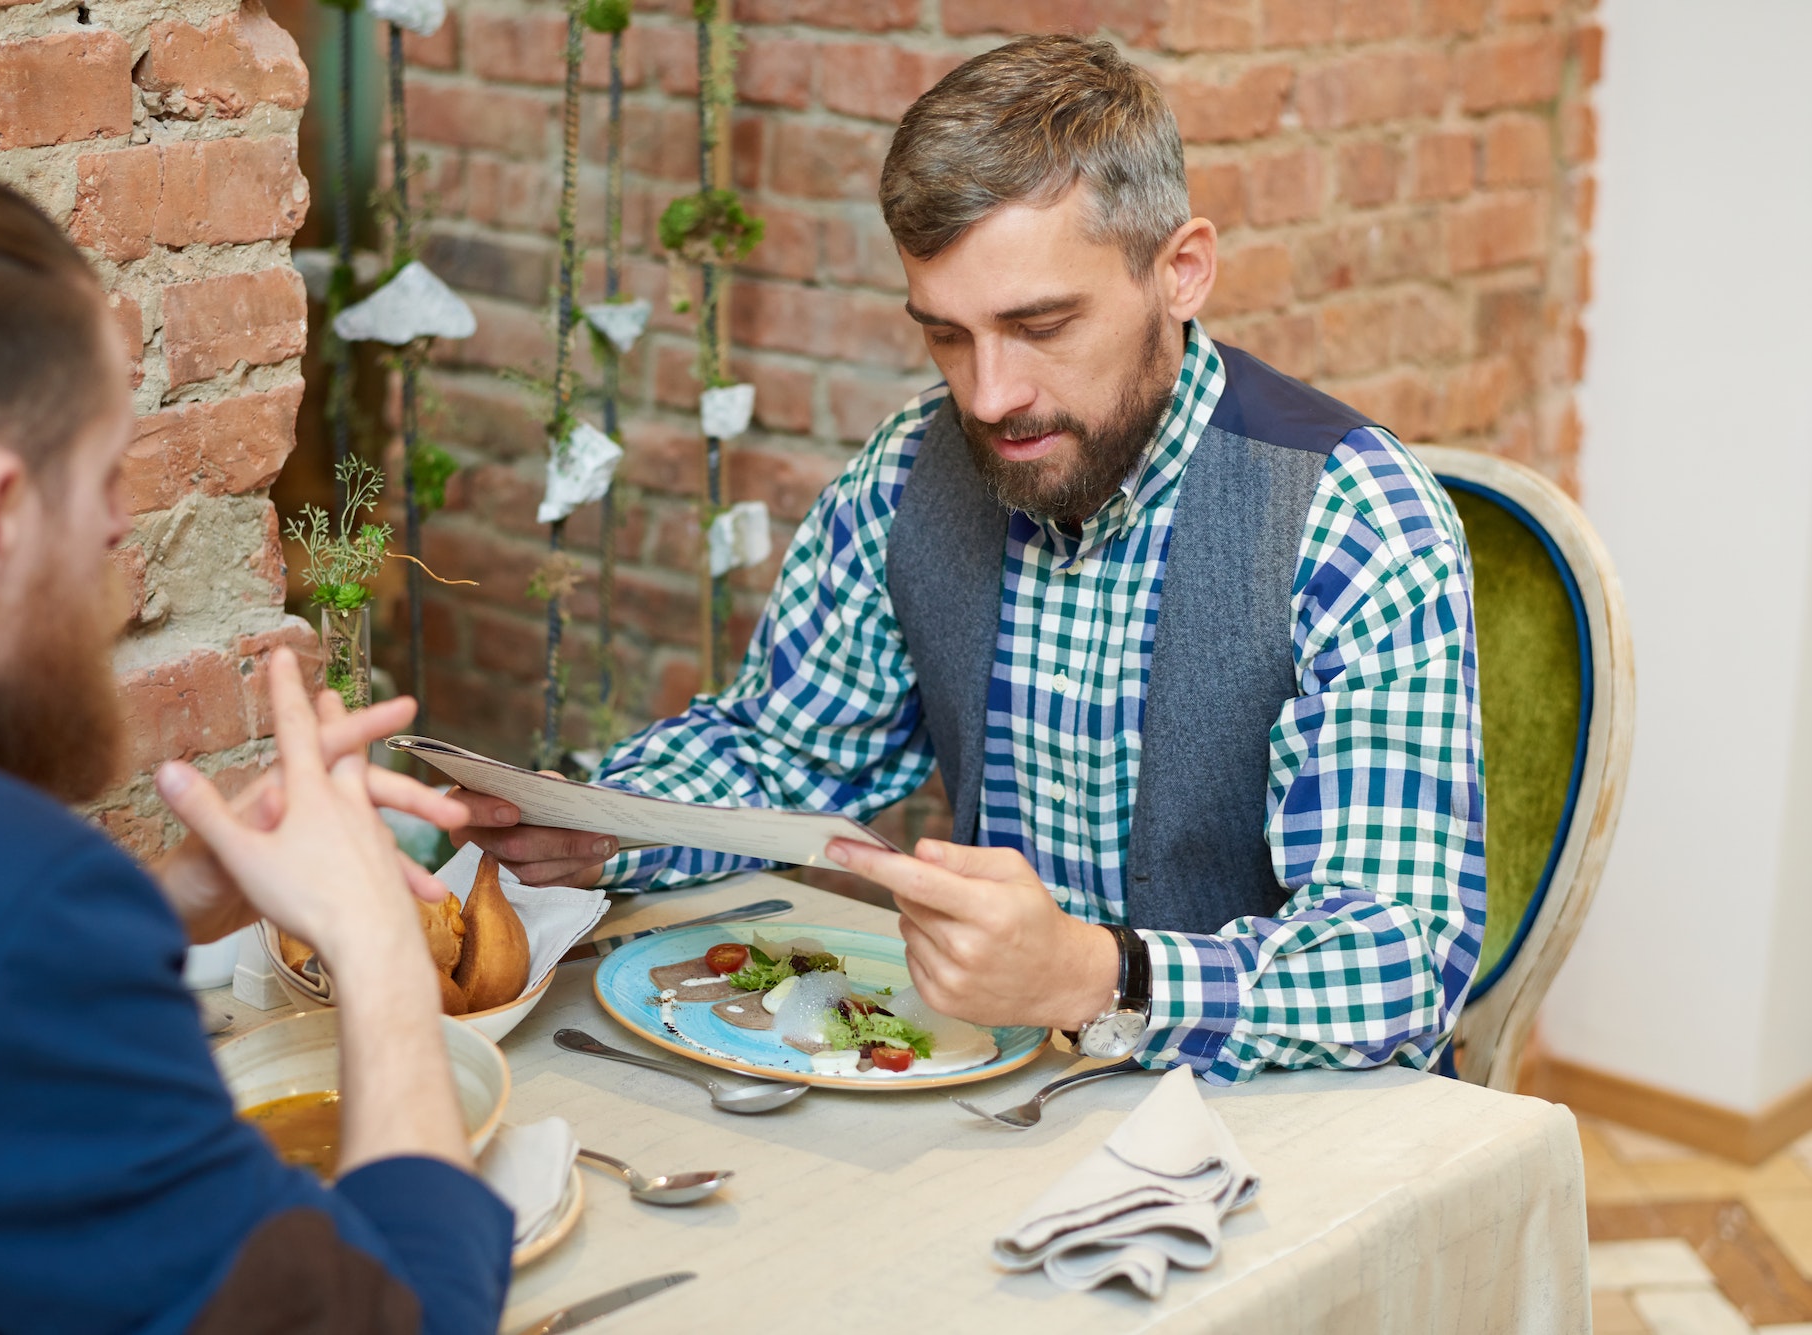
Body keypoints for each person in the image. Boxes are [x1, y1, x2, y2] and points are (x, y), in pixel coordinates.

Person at [455, 36, 1486, 1084]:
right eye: (946, 336)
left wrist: (1098, 975)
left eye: (1039, 325)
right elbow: (783, 757)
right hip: (1019, 1097)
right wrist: (595, 827)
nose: (989, 396)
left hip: (1292, 1124)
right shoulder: (909, 470)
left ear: (1178, 272)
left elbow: (1400, 959)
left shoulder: (1353, 519)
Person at [0, 153, 510, 1332]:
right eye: (98, 476)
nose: (118, 524)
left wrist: (170, 903)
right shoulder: (0, 910)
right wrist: (379, 947)